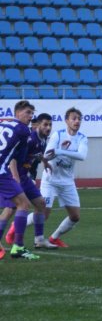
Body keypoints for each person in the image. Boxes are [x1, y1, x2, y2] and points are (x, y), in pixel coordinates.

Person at [5, 112, 57, 250]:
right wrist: (15, 178)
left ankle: (39, 240)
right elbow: (13, 158)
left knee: (40, 204)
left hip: (24, 178)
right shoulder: (30, 139)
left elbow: (38, 154)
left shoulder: (43, 139)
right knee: (10, 210)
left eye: (50, 125)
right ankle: (16, 243)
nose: (48, 127)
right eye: (45, 124)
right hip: (15, 177)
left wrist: (45, 162)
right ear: (38, 125)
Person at [42, 106, 88, 248]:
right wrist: (57, 151)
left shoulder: (82, 138)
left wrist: (60, 150)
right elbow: (46, 154)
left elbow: (82, 156)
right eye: (74, 118)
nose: (77, 121)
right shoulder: (58, 135)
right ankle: (15, 228)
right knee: (43, 214)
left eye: (79, 119)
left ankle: (54, 238)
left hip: (67, 181)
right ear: (66, 120)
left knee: (75, 216)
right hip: (50, 180)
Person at [0, 101, 41, 260]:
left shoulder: (4, 123)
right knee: (23, 204)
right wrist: (16, 176)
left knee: (12, 207)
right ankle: (18, 247)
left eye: (32, 113)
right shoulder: (24, 130)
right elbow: (19, 158)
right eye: (27, 113)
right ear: (18, 113)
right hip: (2, 172)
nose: (30, 116)